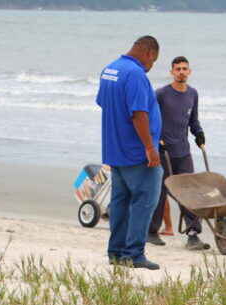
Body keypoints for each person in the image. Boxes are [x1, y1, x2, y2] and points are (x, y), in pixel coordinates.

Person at [96, 35, 162, 270]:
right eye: (152, 62)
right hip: (136, 153)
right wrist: (149, 147)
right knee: (145, 201)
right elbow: (139, 113)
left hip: (115, 149)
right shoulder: (135, 74)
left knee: (121, 202)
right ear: (149, 54)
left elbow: (104, 103)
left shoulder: (110, 69)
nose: (150, 66)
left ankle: (116, 252)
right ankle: (134, 254)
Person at [146, 56, 210, 251]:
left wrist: (198, 133)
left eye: (185, 69)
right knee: (161, 191)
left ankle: (193, 234)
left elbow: (193, 120)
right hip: (163, 151)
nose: (181, 72)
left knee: (189, 192)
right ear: (172, 72)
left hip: (183, 151)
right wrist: (156, 141)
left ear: (189, 72)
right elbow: (149, 119)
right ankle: (152, 232)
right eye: (178, 69)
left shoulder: (193, 94)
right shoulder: (161, 94)